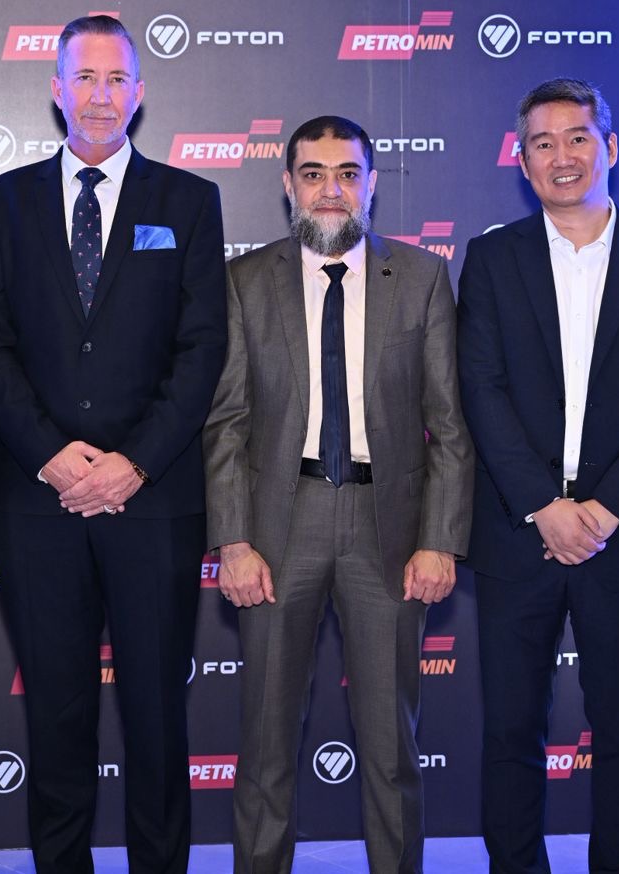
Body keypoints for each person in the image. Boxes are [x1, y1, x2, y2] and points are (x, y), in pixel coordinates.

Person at [0, 14, 227, 873]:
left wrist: (134, 462)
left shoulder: (188, 201)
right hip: (36, 501)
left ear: (140, 93)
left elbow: (202, 350)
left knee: (156, 715)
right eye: (84, 77)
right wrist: (50, 454)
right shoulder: (3, 202)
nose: (101, 95)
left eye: (117, 79)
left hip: (153, 501)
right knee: (57, 715)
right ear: (56, 88)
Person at [204, 116, 473, 874]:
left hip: (390, 531)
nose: (332, 189)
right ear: (288, 184)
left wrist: (439, 540)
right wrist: (233, 541)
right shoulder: (245, 281)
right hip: (276, 527)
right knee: (264, 745)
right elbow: (225, 423)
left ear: (372, 184)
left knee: (391, 748)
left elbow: (450, 425)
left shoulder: (420, 278)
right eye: (314, 173)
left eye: (348, 173)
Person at [456, 78, 619, 874]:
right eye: (543, 143)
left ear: (611, 148)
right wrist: (543, 504)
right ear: (523, 160)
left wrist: (604, 510)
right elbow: (480, 390)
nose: (561, 157)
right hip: (517, 536)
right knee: (510, 733)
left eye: (577, 138)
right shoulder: (492, 259)